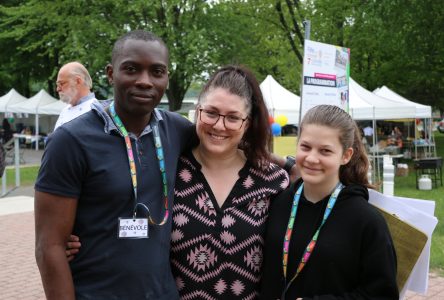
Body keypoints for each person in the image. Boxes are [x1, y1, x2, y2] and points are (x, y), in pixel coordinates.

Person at [34, 30, 194, 299]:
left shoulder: (176, 130)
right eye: (131, 69)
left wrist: (286, 164)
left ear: (166, 77)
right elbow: (49, 247)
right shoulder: (71, 141)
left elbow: (226, 144)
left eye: (157, 72)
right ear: (110, 74)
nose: (145, 81)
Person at [170, 65, 289, 298]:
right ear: (197, 111)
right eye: (211, 113)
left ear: (247, 123)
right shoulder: (168, 174)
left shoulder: (273, 181)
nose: (219, 125)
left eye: (233, 117)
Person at [260, 105, 398, 299]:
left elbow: (383, 295)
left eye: (325, 151)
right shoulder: (279, 202)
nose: (312, 158)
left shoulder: (366, 220)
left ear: (346, 155)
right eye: (305, 147)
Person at [53, 61, 98, 130]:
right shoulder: (64, 111)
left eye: (61, 83)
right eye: (57, 85)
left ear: (78, 81)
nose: (58, 89)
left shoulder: (96, 111)